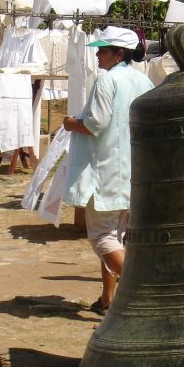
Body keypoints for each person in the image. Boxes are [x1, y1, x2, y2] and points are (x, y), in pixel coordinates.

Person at [63, 26, 153, 314]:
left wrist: (71, 123)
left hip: (106, 170)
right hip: (131, 170)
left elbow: (95, 124)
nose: (98, 54)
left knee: (103, 237)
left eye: (103, 50)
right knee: (117, 237)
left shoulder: (107, 82)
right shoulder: (143, 81)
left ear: (119, 54)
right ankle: (108, 299)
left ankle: (143, 295)